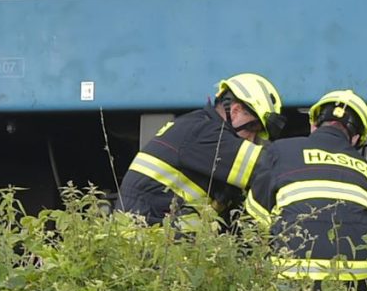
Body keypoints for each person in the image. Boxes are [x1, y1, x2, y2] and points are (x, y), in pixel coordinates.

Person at [245, 89, 367, 286]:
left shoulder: (280, 150)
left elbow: (253, 219)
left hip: (290, 280)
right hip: (351, 287)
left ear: (313, 125)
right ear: (356, 139)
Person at [115, 72, 282, 228]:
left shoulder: (197, 126)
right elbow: (268, 166)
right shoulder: (204, 133)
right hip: (151, 241)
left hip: (156, 240)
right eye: (252, 127)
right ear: (236, 111)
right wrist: (305, 157)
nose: (252, 139)